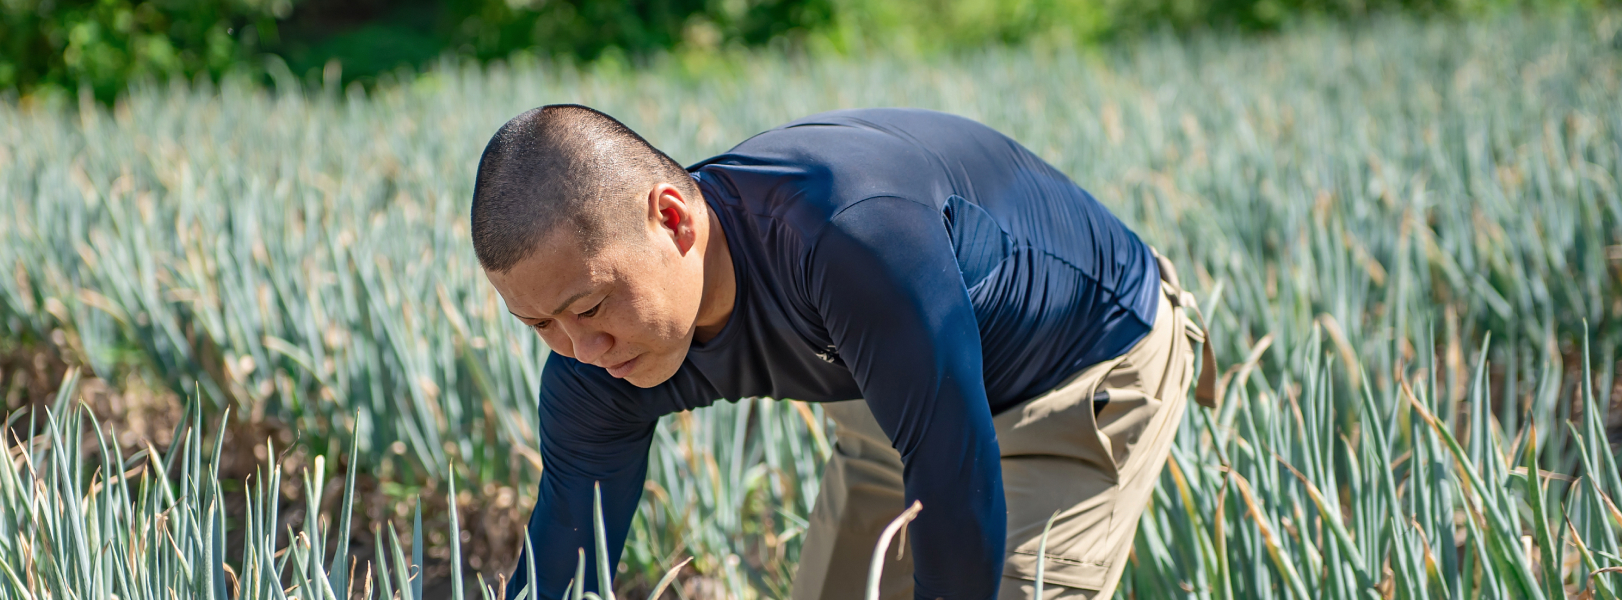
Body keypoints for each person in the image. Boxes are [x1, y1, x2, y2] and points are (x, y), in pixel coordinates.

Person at [469, 105, 1215, 600]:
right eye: (539, 325)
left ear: (673, 220)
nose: (581, 349)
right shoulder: (592, 363)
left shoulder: (850, 238)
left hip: (1077, 373)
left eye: (590, 307)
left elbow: (954, 473)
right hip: (897, 391)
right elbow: (566, 553)